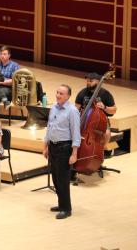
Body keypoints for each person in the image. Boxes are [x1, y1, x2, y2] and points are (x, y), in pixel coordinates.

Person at [43, 84, 81, 220]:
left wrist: (74, 153)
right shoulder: (53, 107)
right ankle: (61, 204)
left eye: (61, 94)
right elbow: (49, 128)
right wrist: (45, 146)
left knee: (63, 179)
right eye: (57, 92)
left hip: (64, 148)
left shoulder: (72, 111)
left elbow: (76, 133)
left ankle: (66, 208)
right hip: (53, 146)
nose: (58, 95)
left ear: (68, 96)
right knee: (55, 177)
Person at [75, 72, 117, 145]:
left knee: (107, 133)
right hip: (85, 119)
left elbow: (114, 110)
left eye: (91, 81)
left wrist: (104, 107)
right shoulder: (82, 93)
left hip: (101, 120)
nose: (88, 83)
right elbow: (76, 109)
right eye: (87, 80)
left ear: (98, 81)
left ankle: (101, 149)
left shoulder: (105, 93)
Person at [0, 45, 20, 115]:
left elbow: (15, 81)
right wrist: (5, 81)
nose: (2, 56)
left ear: (9, 55)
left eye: (4, 54)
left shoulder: (15, 66)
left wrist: (0, 82)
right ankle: (5, 101)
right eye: (1, 54)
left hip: (8, 90)